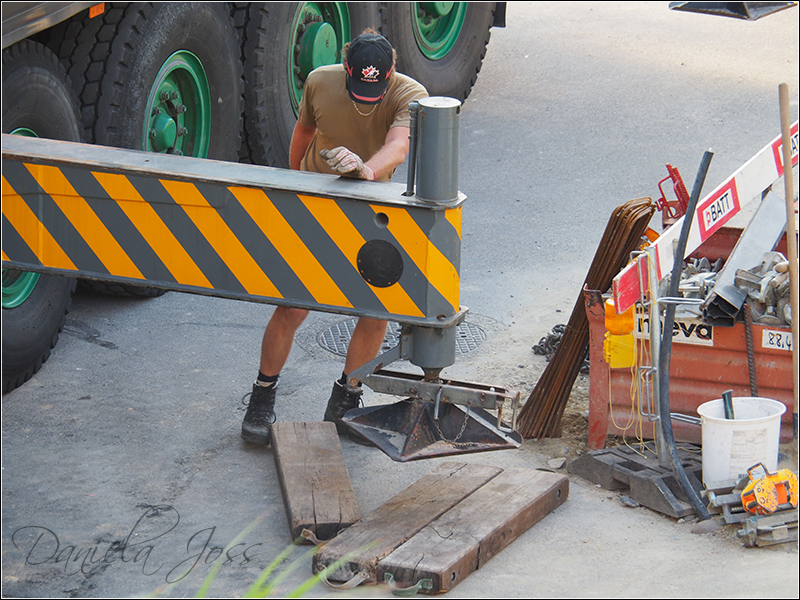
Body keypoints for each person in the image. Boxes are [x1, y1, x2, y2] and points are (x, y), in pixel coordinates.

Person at [241, 31, 429, 445]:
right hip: (317, 205)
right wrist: (296, 187)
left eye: (374, 92)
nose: (367, 99)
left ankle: (346, 399)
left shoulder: (408, 93)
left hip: (371, 207)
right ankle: (262, 395)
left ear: (391, 72)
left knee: (375, 312)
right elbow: (303, 134)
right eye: (359, 91)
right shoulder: (320, 82)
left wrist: (365, 171)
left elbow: (398, 146)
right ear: (346, 70)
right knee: (292, 307)